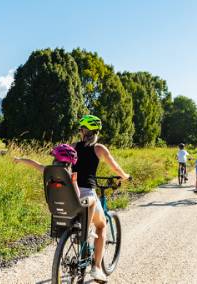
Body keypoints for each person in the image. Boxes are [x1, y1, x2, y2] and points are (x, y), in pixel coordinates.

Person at [72, 115, 130, 282]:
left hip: (72, 192)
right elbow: (115, 167)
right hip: (88, 193)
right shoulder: (99, 148)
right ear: (96, 131)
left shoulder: (74, 146)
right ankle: (97, 268)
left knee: (85, 220)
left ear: (83, 131)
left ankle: (79, 235)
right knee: (101, 225)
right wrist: (125, 176)